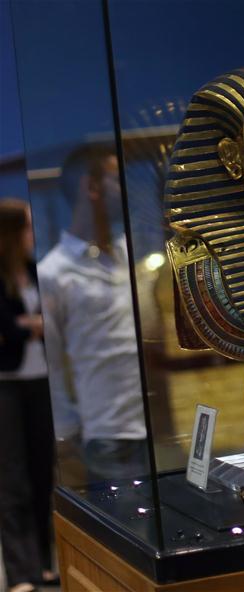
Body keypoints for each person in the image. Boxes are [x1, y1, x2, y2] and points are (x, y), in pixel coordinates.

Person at [39, 145, 148, 482]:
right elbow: (52, 364)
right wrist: (68, 431)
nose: (127, 189)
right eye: (118, 179)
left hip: (154, 426)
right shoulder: (54, 273)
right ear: (92, 187)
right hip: (107, 436)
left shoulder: (128, 255)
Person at [0, 199, 58, 592]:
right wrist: (25, 326)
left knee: (43, 473)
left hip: (42, 380)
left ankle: (45, 563)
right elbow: (11, 329)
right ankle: (21, 572)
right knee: (11, 478)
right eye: (26, 227)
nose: (32, 234)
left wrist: (27, 325)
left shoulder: (37, 271)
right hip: (5, 383)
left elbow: (46, 322)